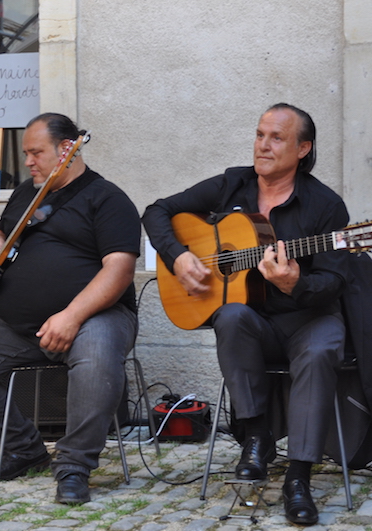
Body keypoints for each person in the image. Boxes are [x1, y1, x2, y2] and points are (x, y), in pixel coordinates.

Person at [143, 103, 348, 526]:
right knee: (231, 315)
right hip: (255, 320)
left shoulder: (327, 207)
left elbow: (335, 281)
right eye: (259, 135)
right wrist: (180, 258)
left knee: (321, 348)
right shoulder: (231, 184)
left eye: (276, 138)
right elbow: (156, 211)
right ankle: (256, 436)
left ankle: (298, 476)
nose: (263, 146)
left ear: (303, 149)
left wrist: (294, 283)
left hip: (308, 318)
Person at [0, 113, 141, 505]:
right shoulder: (27, 193)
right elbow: (6, 230)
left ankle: (74, 465)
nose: (28, 161)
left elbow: (119, 270)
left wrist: (72, 315)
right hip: (16, 324)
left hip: (95, 317)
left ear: (67, 150)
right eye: (26, 153)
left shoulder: (108, 199)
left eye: (36, 152)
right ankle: (22, 447)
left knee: (97, 355)